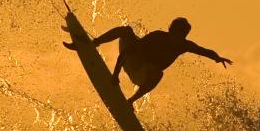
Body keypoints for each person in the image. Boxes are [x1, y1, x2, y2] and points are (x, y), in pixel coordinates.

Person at [64, 17, 232, 104]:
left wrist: (217, 58)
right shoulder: (158, 37)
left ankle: (131, 101)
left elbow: (205, 51)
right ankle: (94, 44)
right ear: (171, 30)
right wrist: (115, 75)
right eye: (177, 33)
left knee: (158, 73)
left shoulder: (184, 45)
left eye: (182, 35)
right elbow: (129, 51)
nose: (179, 37)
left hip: (142, 75)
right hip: (130, 61)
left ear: (184, 35)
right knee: (126, 30)